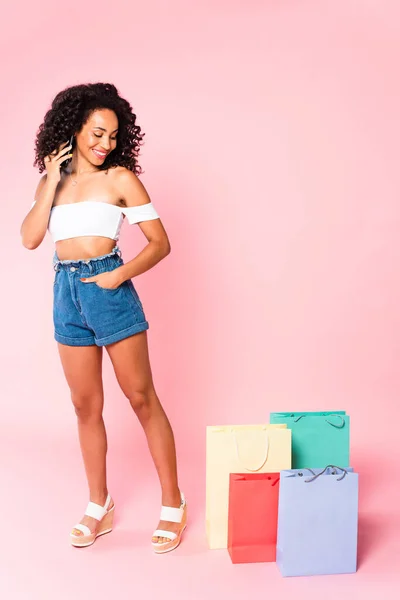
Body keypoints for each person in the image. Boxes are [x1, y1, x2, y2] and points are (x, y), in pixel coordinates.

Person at [20, 82, 187, 553]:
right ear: (73, 127)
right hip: (64, 292)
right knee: (84, 406)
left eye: (113, 136)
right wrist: (50, 182)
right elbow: (30, 238)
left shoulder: (121, 179)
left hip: (108, 288)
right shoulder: (52, 181)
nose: (105, 145)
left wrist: (119, 276)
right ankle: (100, 504)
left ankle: (173, 503)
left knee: (140, 397)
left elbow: (160, 243)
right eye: (97, 133)